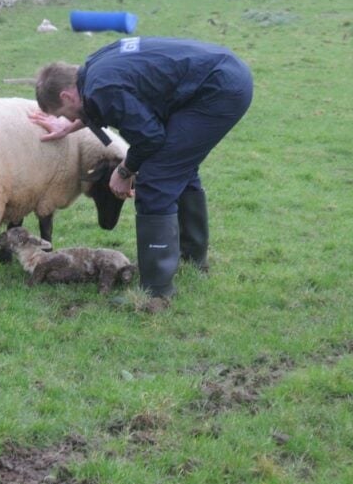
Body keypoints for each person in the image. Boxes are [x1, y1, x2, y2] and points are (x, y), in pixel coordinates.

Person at [30, 36, 253, 299]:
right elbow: (111, 100)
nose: (67, 118)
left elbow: (150, 137)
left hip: (217, 91)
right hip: (221, 74)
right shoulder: (93, 69)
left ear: (66, 95)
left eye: (63, 113)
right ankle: (192, 259)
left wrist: (125, 171)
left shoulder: (102, 89)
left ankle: (155, 292)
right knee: (180, 167)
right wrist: (74, 125)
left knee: (157, 178)